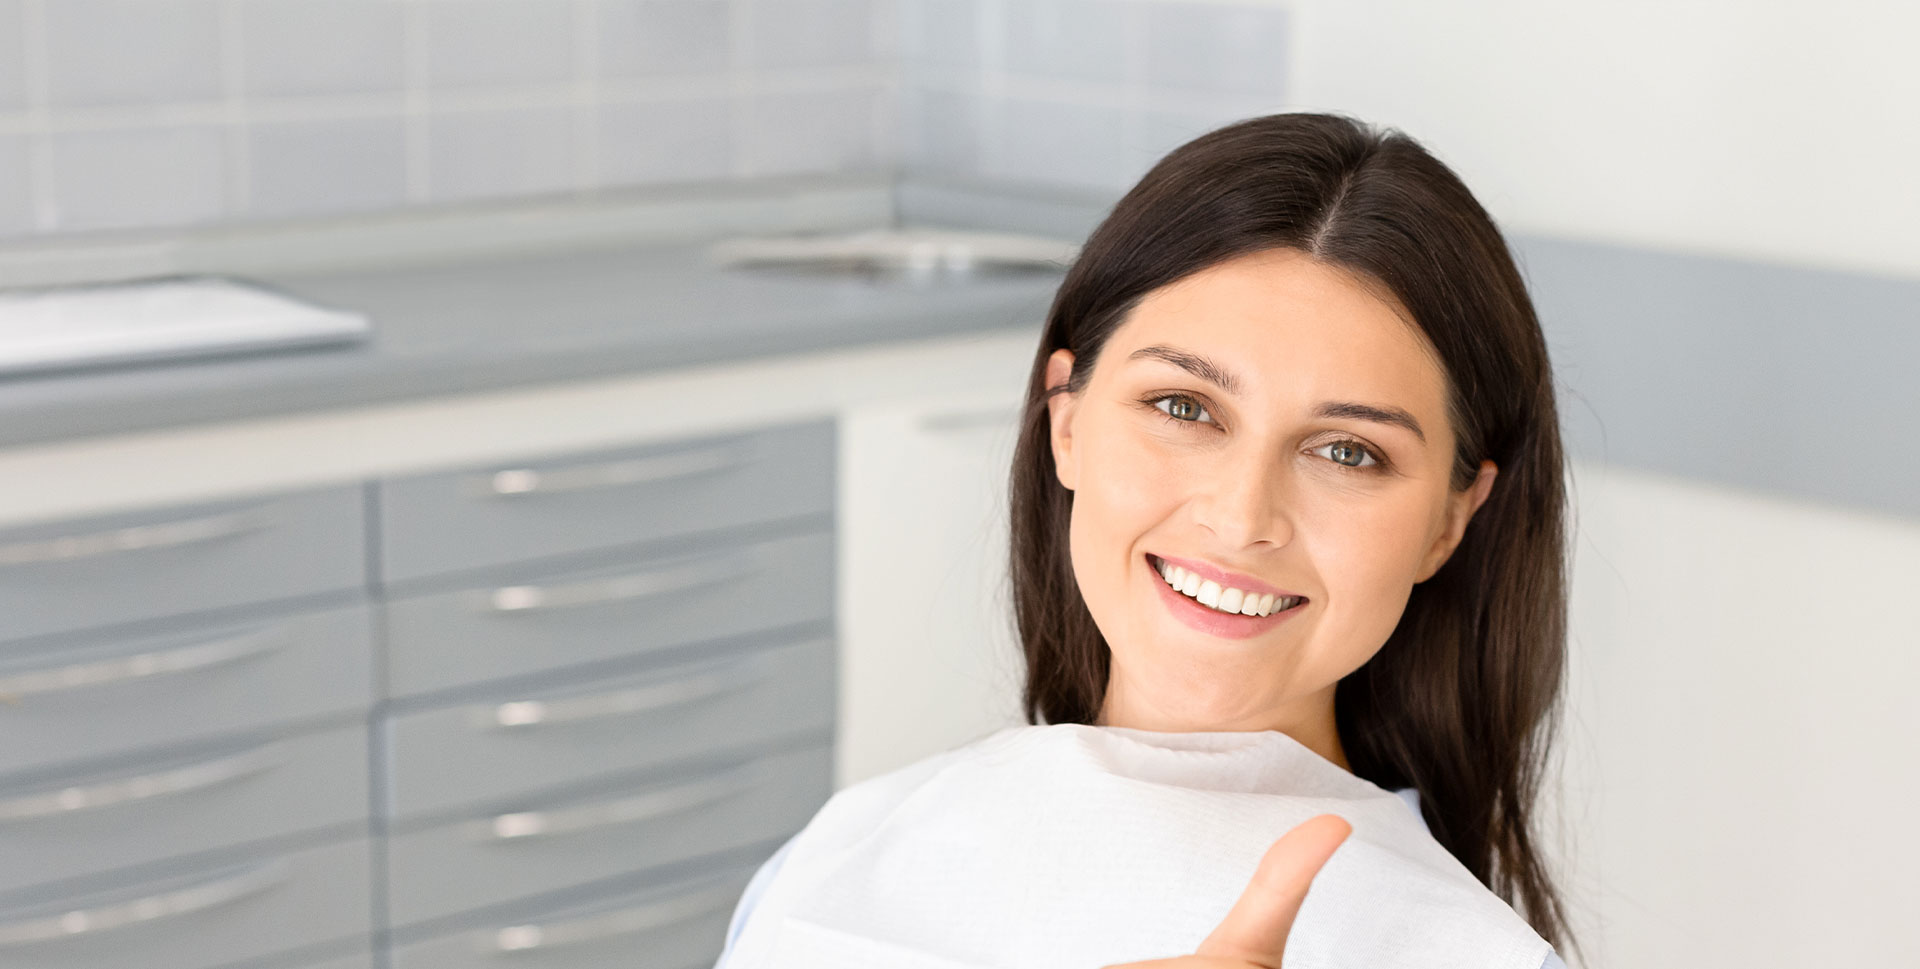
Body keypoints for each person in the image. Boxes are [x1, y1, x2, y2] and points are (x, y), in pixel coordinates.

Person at [715, 112, 1580, 968]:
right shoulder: (841, 852)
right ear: (1067, 420)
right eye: (1184, 407)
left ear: (1451, 519)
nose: (1242, 518)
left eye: (1348, 452)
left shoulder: (1460, 950)